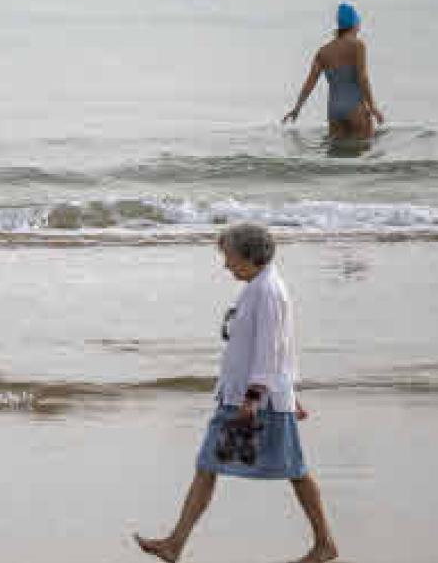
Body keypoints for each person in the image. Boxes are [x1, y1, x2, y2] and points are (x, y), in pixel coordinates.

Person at [134, 223, 338, 563]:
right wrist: (286, 388)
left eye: (228, 256)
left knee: (295, 470)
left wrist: (257, 396)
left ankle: (325, 544)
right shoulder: (258, 287)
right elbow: (276, 350)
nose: (225, 264)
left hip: (257, 401)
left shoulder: (268, 290)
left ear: (249, 256)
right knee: (209, 465)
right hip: (248, 396)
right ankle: (174, 544)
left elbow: (272, 349)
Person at [282, 3, 384, 139]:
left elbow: (309, 83)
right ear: (354, 23)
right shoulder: (358, 45)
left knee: (337, 155)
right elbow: (362, 77)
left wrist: (297, 108)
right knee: (364, 153)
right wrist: (373, 107)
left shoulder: (323, 51)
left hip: (334, 112)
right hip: (355, 107)